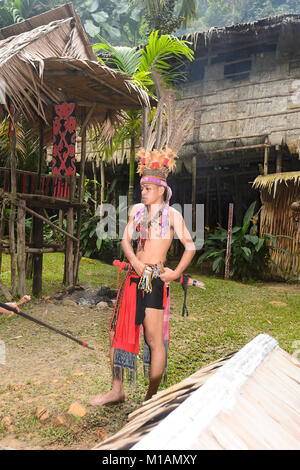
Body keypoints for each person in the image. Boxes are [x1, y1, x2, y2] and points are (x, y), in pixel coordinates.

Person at [90, 146, 198, 407]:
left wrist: (176, 273)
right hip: (133, 276)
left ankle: (151, 396)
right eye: (142, 187)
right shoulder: (137, 210)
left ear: (161, 190)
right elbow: (126, 240)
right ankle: (117, 390)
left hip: (154, 279)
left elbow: (190, 246)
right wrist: (135, 262)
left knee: (153, 338)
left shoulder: (172, 215)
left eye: (148, 188)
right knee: (118, 332)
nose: (143, 191)